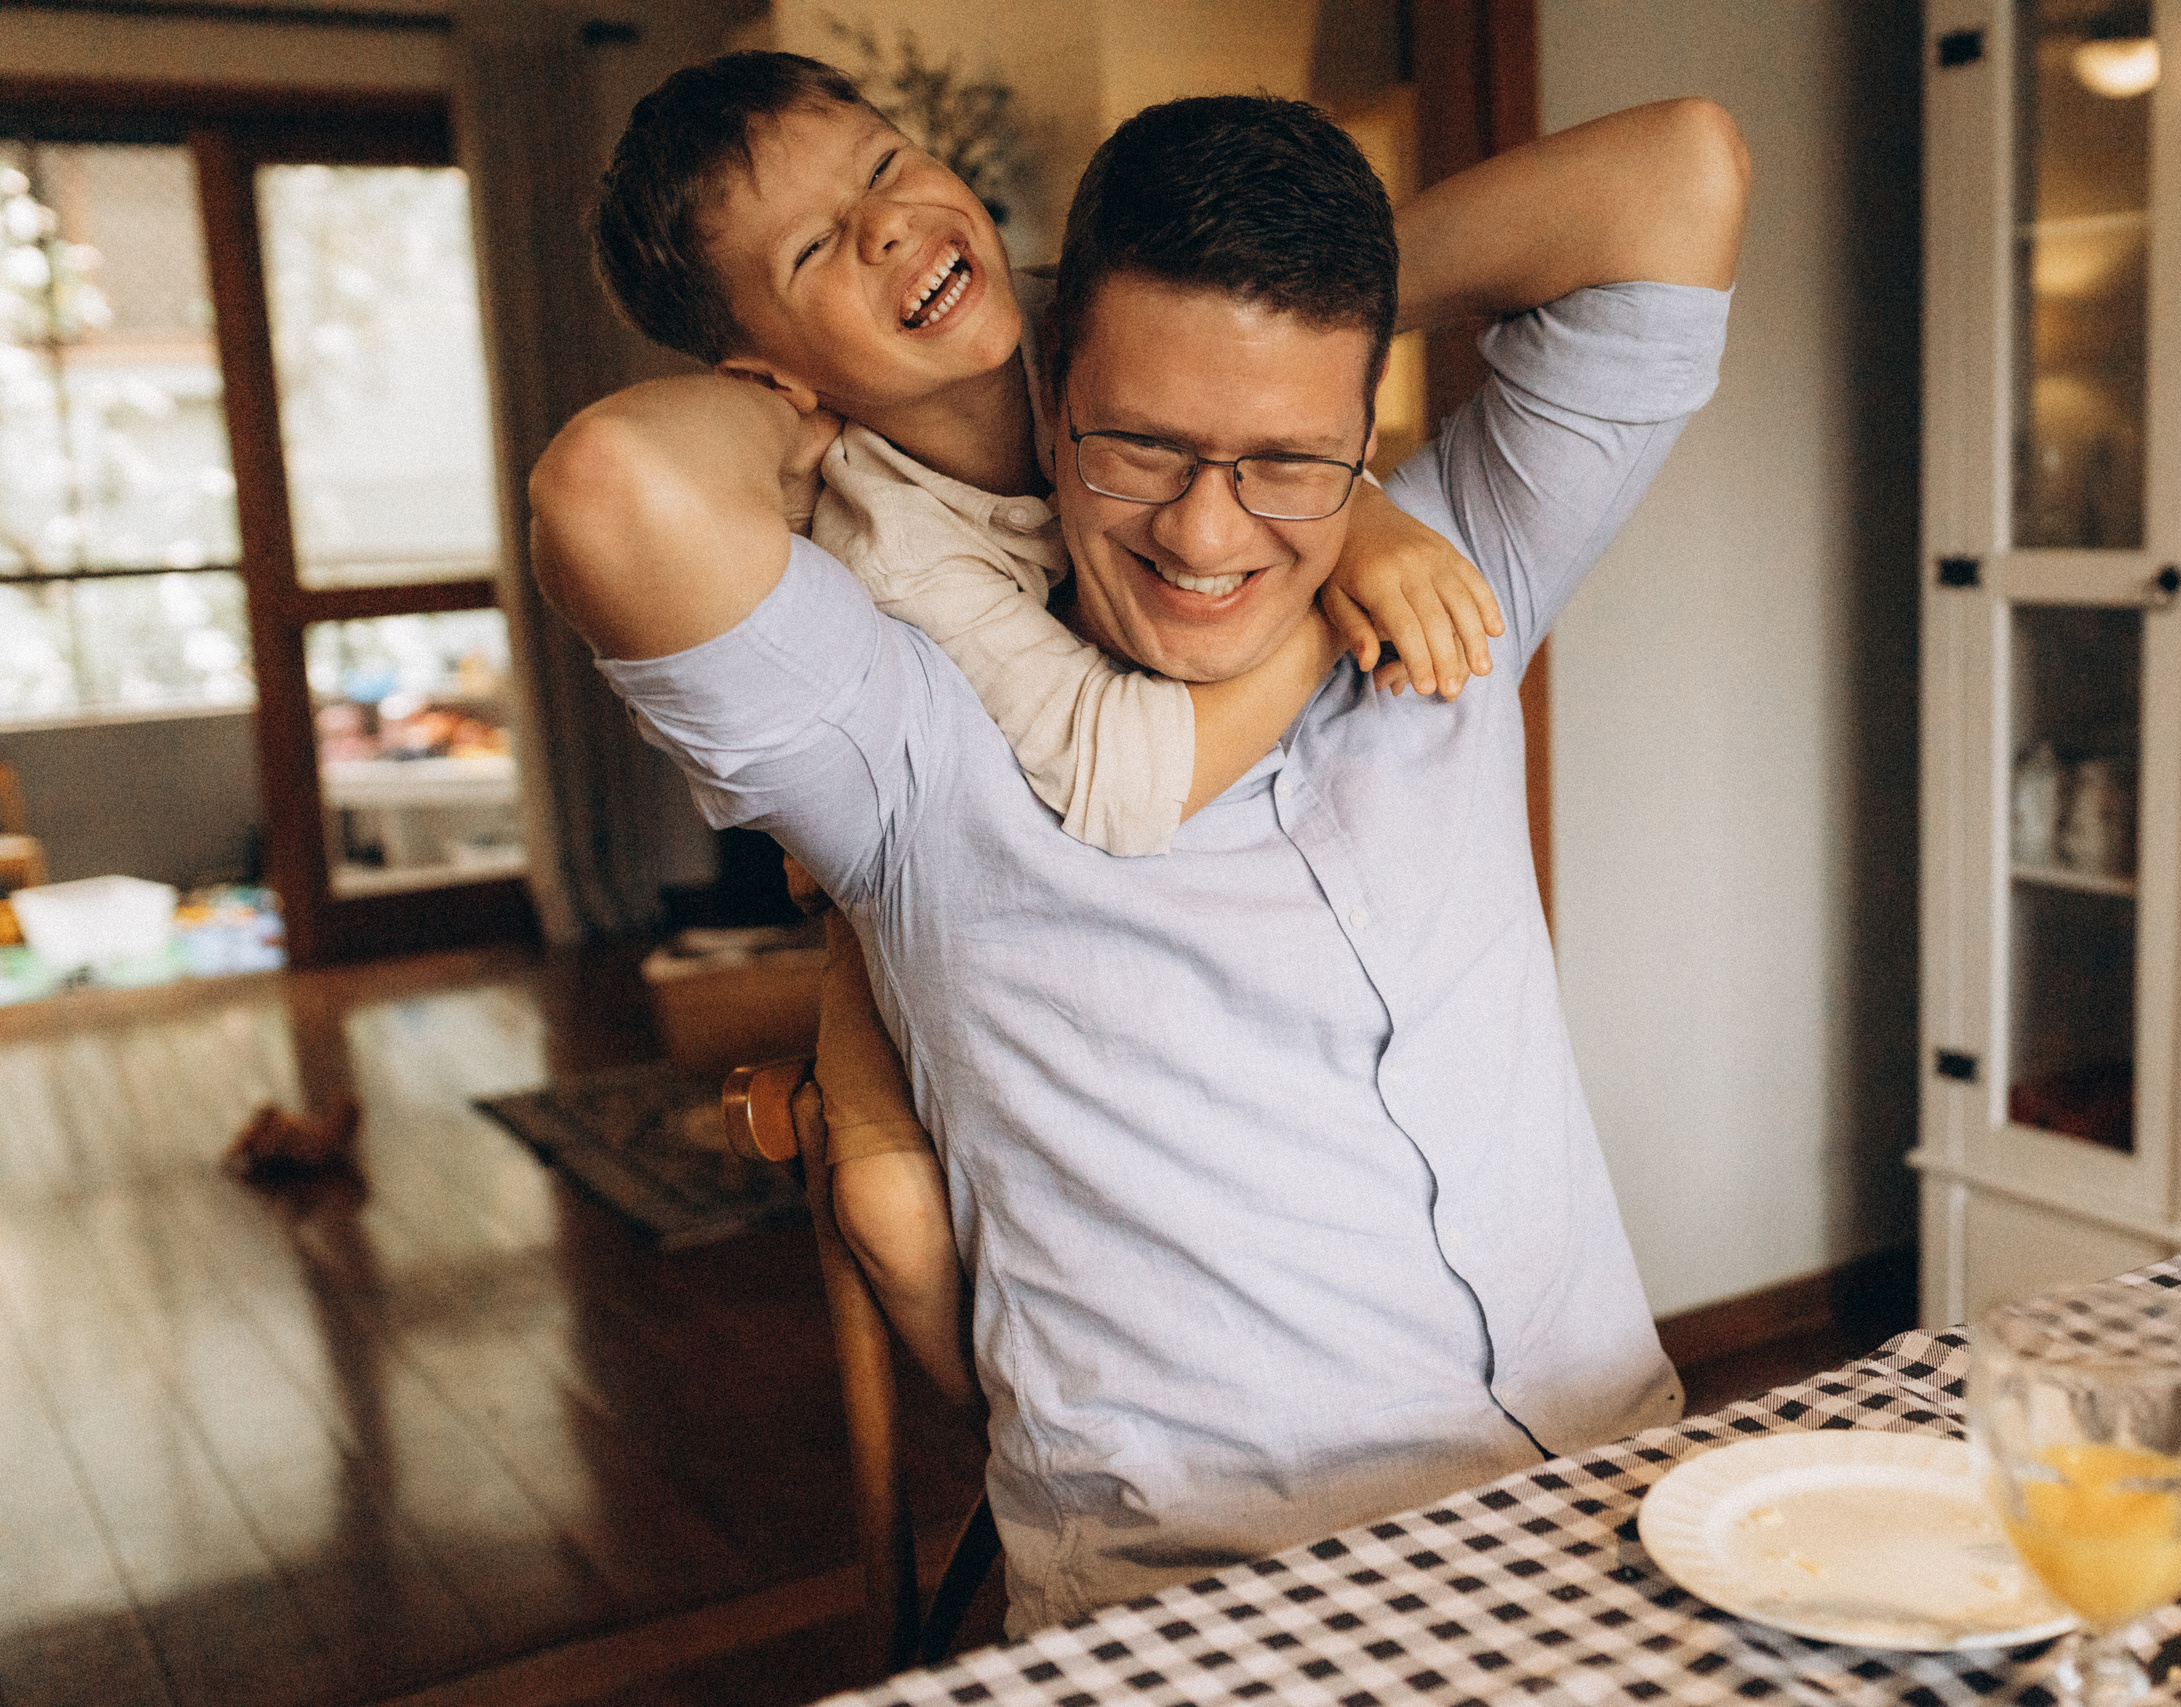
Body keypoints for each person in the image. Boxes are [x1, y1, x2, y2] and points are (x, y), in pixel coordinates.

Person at [534, 89, 1749, 1630]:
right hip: (1228, 1604)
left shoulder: (1452, 559)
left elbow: (1679, 171)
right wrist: (804, 405)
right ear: (1054, 406)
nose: (1209, 532)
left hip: (1607, 1505)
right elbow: (610, 490)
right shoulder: (906, 740)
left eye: (1290, 453)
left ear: (1362, 424)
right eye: (1147, 444)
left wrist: (1274, 341)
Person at [571, 52, 1500, 1413]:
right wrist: (1325, 532)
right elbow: (1120, 774)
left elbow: (1273, 395)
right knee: (890, 1209)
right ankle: (1026, 1457)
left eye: (885, 167)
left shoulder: (1105, 311)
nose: (886, 223)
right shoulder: (890, 543)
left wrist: (1348, 499)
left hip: (1147, 840)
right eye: (820, 245)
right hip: (934, 879)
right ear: (761, 369)